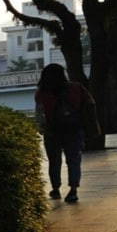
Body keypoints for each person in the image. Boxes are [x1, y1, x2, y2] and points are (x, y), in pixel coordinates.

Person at [33, 63, 94, 203]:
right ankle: (73, 190)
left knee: (54, 161)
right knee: (74, 160)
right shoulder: (77, 88)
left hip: (52, 131)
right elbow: (90, 103)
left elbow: (39, 113)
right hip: (75, 130)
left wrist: (41, 128)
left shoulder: (42, 93)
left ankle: (55, 189)